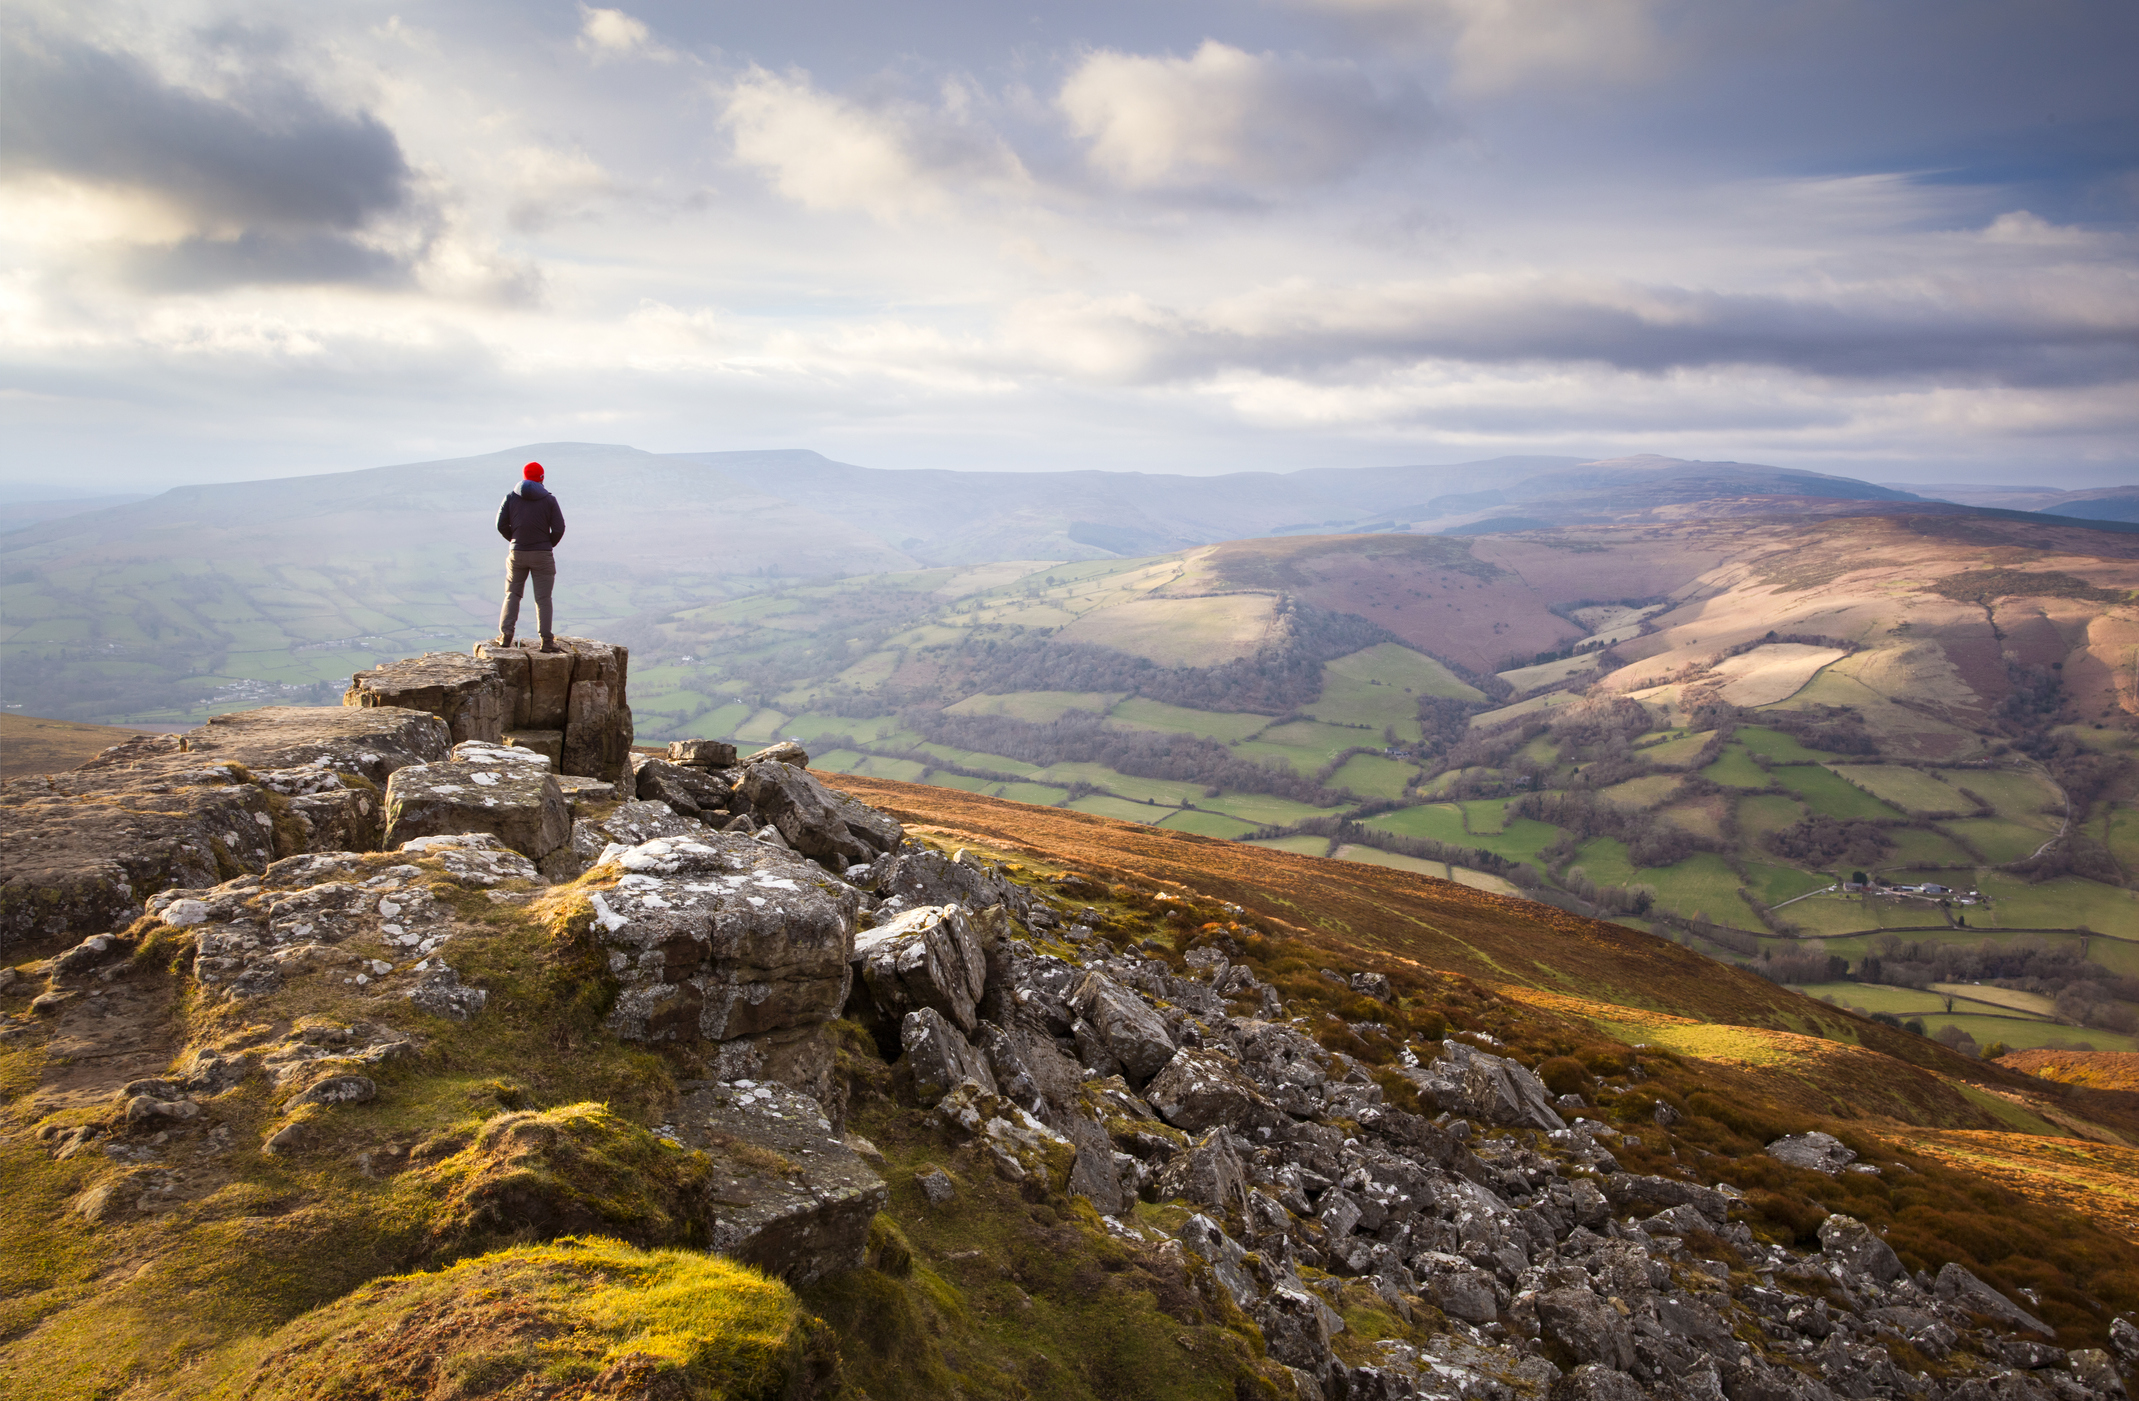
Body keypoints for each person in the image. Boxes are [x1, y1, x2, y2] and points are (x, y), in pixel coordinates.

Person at [493, 461, 566, 652]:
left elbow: (500, 524)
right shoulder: (549, 500)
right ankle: (547, 642)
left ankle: (506, 636)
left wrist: (515, 540)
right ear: (541, 478)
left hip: (517, 553)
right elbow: (559, 528)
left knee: (512, 594)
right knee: (543, 598)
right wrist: (547, 544)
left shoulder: (510, 497)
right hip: (542, 555)